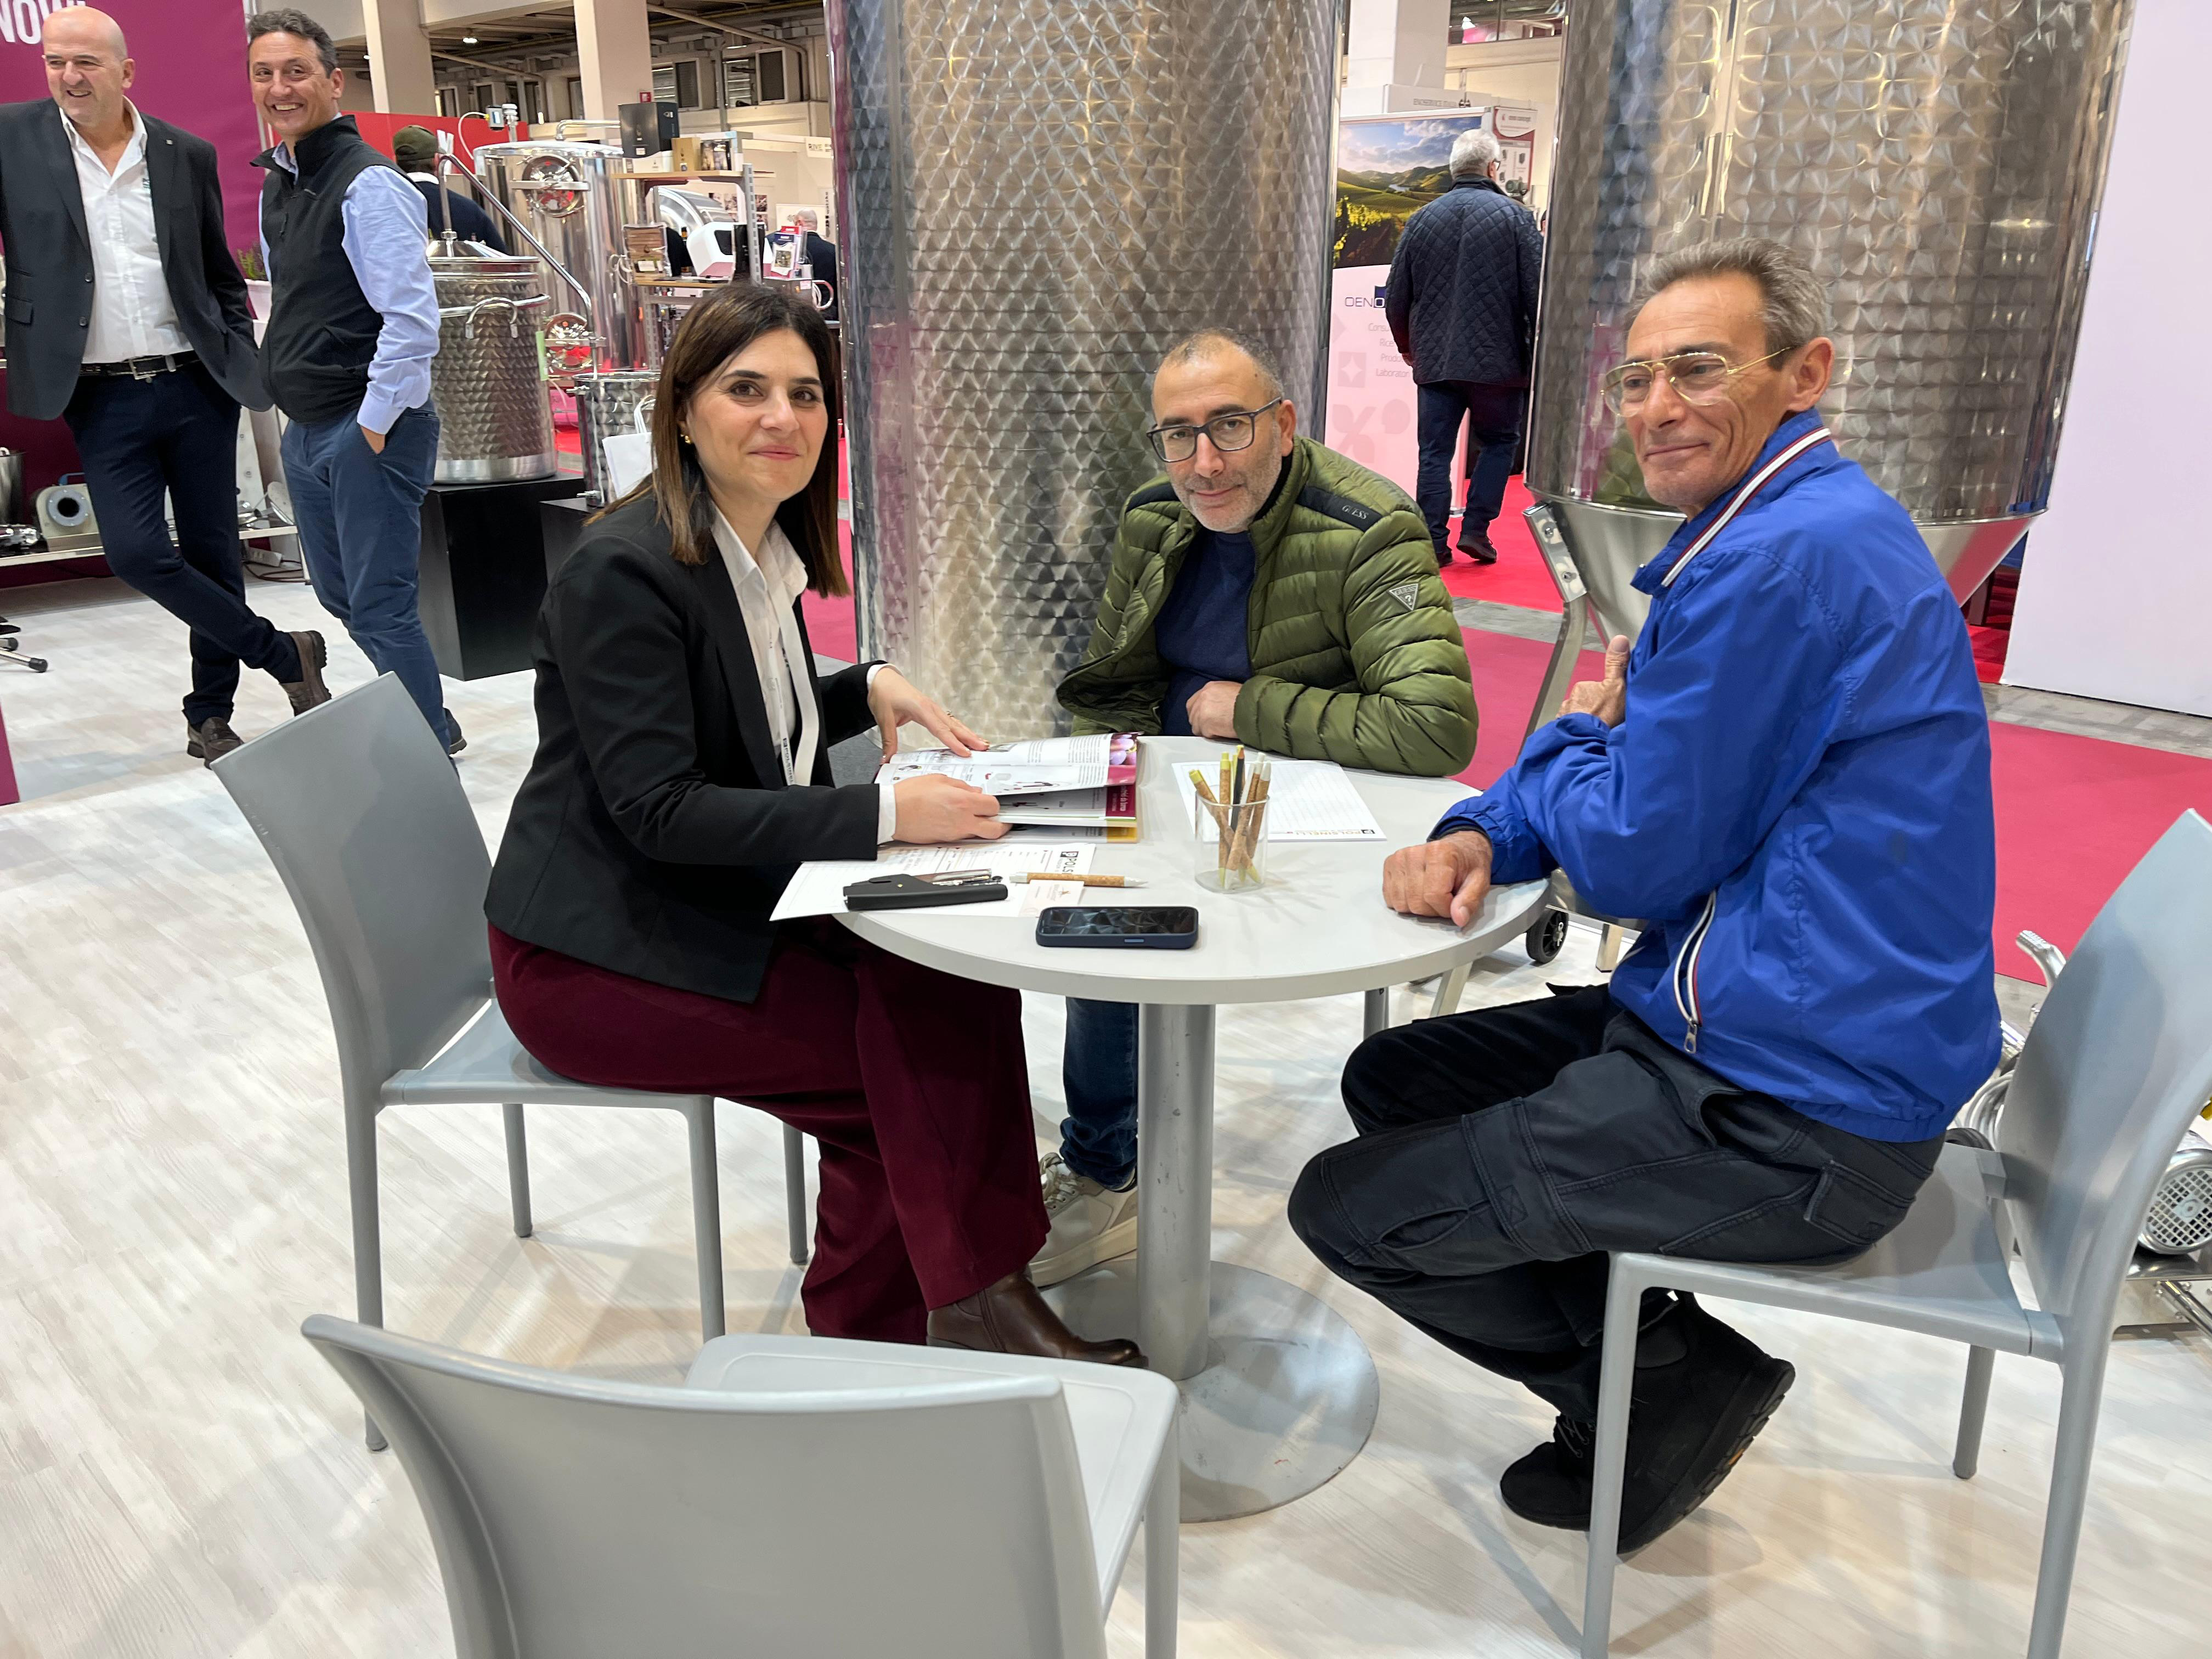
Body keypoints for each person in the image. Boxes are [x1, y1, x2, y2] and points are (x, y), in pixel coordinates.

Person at [1289, 238, 2000, 1553]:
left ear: (1805, 374)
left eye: (1699, 369)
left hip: (1795, 1112)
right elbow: (1627, 769)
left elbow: (1629, 855)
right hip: (1752, 1027)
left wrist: (1568, 750)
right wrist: (1490, 822)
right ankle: (1651, 1353)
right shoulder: (1774, 531)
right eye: (1637, 378)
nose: (1657, 407)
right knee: (1399, 1080)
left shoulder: (1775, 566)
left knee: (1348, 1208)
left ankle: (1661, 1389)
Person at [484, 281, 1143, 1365]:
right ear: (683, 409)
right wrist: (886, 810)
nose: (780, 418)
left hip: (710, 900)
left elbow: (740, 719)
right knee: (900, 1080)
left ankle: (974, 1290)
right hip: (594, 955)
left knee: (958, 982)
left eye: (804, 393)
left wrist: (863, 683)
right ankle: (877, 1341)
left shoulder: (755, 551)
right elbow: (661, 809)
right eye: (746, 389)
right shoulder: (621, 573)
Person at [1040, 328, 1479, 1286]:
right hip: (1170, 788)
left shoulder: (1369, 526)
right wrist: (1099, 788)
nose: (1204, 462)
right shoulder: (1154, 516)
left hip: (1304, 801)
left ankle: (1112, 1160)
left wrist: (1249, 710)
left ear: (1283, 424)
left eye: (1229, 427)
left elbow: (1437, 725)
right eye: (1179, 434)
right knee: (1096, 917)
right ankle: (1107, 1162)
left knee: (1153, 933)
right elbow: (1113, 681)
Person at [0, 7, 328, 764]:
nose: (69, 77)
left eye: (85, 62)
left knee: (214, 553)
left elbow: (218, 272)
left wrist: (237, 353)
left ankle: (209, 714)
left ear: (126, 71)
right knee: (137, 554)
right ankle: (284, 653)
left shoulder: (186, 153)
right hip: (99, 392)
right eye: (55, 62)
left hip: (195, 382)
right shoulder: (12, 139)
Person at [246, 12, 459, 754]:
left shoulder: (369, 183)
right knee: (339, 595)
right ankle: (432, 720)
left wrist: (371, 426)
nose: (280, 88)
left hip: (367, 426)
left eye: (296, 72)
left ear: (334, 82)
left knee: (380, 606)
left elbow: (412, 321)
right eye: (265, 74)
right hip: (307, 427)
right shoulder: (281, 179)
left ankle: (427, 753)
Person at [1385, 127, 1542, 565]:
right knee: (1499, 441)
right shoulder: (1516, 218)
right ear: (1493, 168)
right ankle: (1475, 530)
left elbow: (1397, 296)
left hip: (1435, 360)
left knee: (1434, 453)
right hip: (1500, 363)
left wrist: (1408, 347)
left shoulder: (1421, 219)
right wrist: (1536, 354)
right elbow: (1537, 292)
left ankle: (1433, 542)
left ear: (1453, 170)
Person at [391, 125, 506, 252]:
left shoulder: (384, 205)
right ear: (437, 160)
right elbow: (501, 258)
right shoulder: (468, 208)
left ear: (395, 160)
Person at [786, 207, 838, 323]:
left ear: (799, 223)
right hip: (831, 312)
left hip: (801, 315)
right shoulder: (833, 250)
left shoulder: (792, 250)